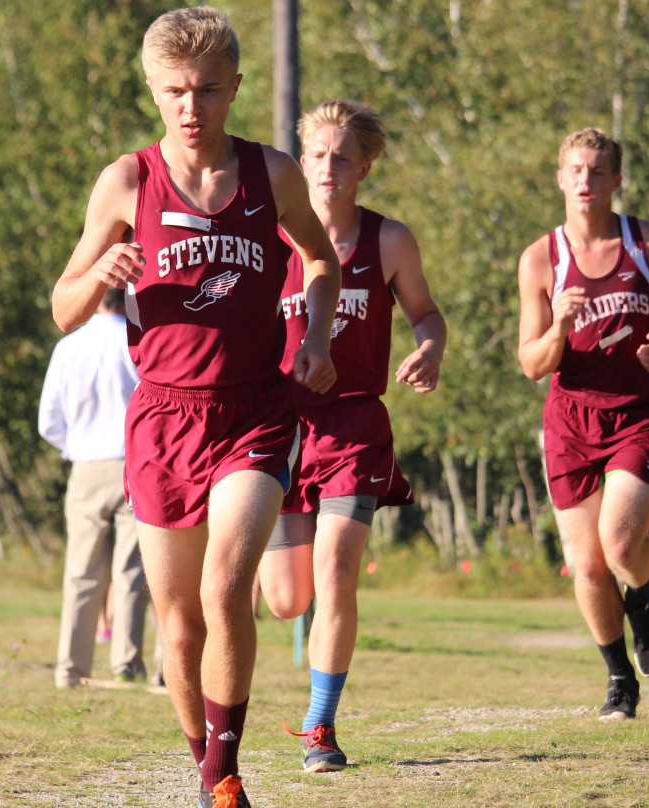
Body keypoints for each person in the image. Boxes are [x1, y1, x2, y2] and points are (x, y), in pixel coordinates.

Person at [49, 8, 342, 807]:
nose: (192, 106)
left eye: (208, 90)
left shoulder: (270, 174)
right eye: (176, 91)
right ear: (153, 89)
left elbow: (320, 258)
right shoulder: (126, 182)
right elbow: (62, 308)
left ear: (235, 89)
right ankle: (204, 757)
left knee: (226, 588)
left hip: (253, 410)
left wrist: (315, 337)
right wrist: (99, 271)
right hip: (161, 418)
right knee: (178, 624)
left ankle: (225, 773)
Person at [257, 99, 446, 772]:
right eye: (317, 154)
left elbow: (427, 314)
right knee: (288, 600)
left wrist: (430, 348)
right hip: (278, 427)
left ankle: (320, 726)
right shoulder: (267, 237)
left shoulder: (387, 241)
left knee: (337, 571)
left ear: (364, 166)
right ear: (300, 159)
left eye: (342, 157)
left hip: (354, 424)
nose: (328, 167)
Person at [517, 127, 649, 720]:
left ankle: (645, 601)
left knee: (623, 543)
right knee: (589, 563)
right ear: (559, 178)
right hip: (570, 419)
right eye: (575, 170)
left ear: (616, 181)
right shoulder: (540, 259)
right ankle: (619, 677)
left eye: (598, 171)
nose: (585, 181)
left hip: (640, 414)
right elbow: (531, 363)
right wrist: (558, 328)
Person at [39, 287, 148, 690]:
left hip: (85, 466)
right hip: (134, 464)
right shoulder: (138, 342)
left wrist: (75, 447)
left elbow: (48, 419)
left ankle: (71, 668)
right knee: (131, 572)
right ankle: (126, 663)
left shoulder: (69, 346)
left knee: (81, 573)